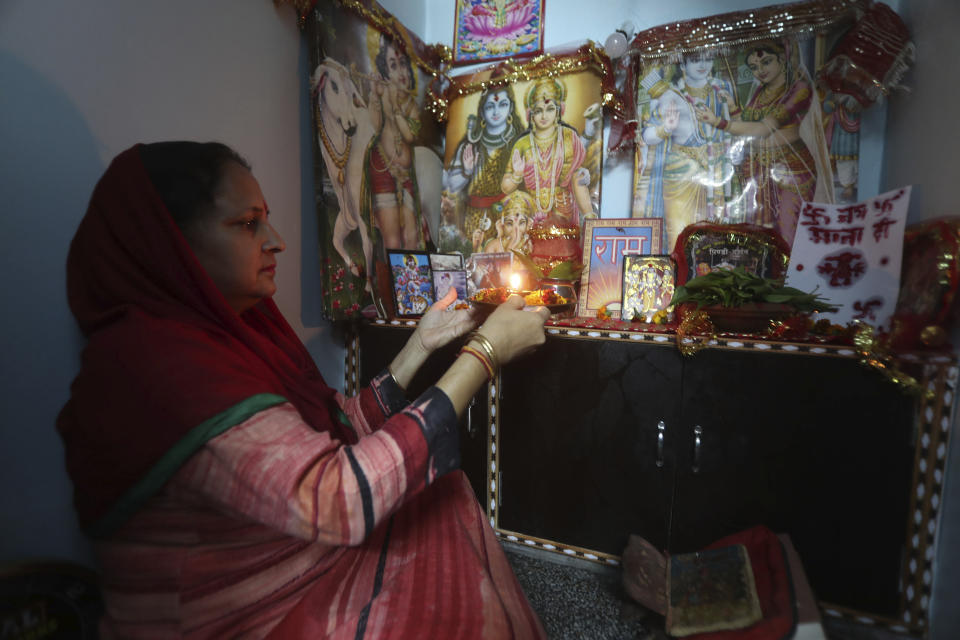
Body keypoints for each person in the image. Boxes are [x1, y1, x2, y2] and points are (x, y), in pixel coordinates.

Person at [57, 141, 550, 638]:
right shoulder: (155, 366)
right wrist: (483, 353)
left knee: (443, 500)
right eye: (248, 224)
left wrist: (419, 346)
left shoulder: (236, 331)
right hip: (245, 613)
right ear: (173, 243)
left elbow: (330, 431)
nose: (275, 240)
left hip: (303, 553)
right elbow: (338, 497)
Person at [694, 38, 833, 245]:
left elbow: (764, 128)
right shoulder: (761, 90)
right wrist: (732, 107)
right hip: (760, 171)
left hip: (791, 170)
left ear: (782, 59)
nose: (760, 70)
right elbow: (748, 127)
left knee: (787, 233)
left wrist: (718, 122)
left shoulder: (799, 89)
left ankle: (789, 278)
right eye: (754, 67)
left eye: (766, 62)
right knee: (761, 237)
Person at [639, 53, 736, 251]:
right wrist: (665, 128)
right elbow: (647, 135)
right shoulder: (669, 94)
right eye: (695, 59)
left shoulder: (721, 89)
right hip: (680, 174)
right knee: (680, 240)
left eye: (707, 58)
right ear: (682, 63)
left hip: (716, 171)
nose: (702, 64)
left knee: (715, 240)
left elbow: (736, 129)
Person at [501, 77, 594, 272]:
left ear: (559, 110)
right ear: (530, 114)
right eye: (538, 111)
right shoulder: (523, 144)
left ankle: (593, 228)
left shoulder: (569, 138)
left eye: (550, 109)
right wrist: (517, 175)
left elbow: (578, 174)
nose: (544, 116)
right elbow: (505, 186)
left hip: (564, 212)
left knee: (564, 259)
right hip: (532, 215)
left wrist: (590, 216)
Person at [361, 35, 431, 251]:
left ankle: (411, 283)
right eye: (393, 65)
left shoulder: (410, 104)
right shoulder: (381, 95)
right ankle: (390, 283)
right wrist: (375, 96)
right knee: (391, 240)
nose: (400, 72)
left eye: (403, 64)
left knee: (411, 239)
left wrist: (395, 110)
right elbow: (375, 125)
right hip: (382, 167)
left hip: (407, 176)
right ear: (385, 72)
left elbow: (410, 135)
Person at [442, 85, 526, 255]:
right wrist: (466, 171)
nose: (496, 111)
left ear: (510, 108)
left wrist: (518, 175)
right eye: (490, 106)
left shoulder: (520, 142)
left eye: (502, 104)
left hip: (507, 222)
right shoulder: (470, 143)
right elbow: (451, 186)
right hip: (472, 220)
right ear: (482, 110)